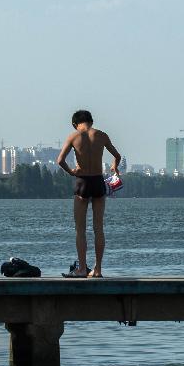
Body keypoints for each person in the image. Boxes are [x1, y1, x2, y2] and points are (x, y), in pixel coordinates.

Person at [56, 110, 121, 278]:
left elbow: (60, 160)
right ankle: (97, 269)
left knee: (80, 230)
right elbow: (117, 155)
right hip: (98, 181)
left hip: (82, 182)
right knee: (99, 228)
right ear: (91, 121)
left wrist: (71, 172)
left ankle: (82, 268)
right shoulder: (101, 135)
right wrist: (114, 166)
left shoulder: (74, 136)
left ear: (75, 123)